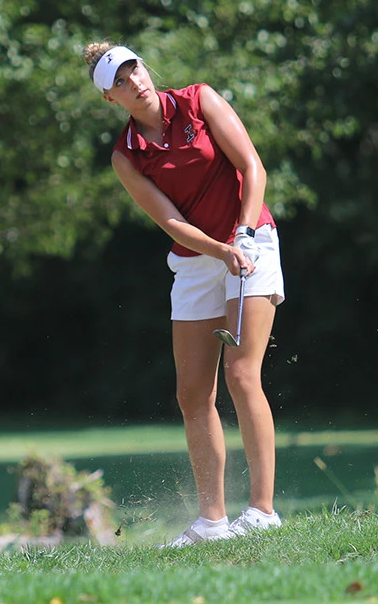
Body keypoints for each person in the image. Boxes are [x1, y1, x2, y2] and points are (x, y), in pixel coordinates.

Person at [82, 41, 285, 547]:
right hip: (199, 260)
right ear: (111, 99)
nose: (136, 82)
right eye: (122, 82)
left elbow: (253, 167)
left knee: (241, 373)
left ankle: (262, 511)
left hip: (251, 239)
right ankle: (213, 523)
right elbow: (169, 219)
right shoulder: (126, 157)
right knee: (193, 393)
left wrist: (240, 235)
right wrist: (218, 250)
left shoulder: (199, 100)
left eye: (136, 70)